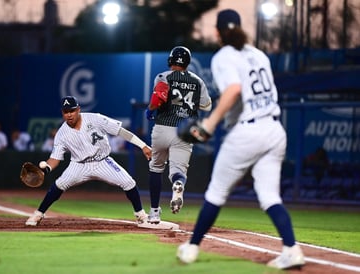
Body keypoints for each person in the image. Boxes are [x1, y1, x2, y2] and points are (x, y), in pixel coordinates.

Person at [176, 9, 305, 270]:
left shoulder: (224, 56)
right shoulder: (258, 54)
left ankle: (191, 248)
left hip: (247, 133)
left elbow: (234, 90)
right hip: (274, 129)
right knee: (269, 195)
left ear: (217, 31)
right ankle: (291, 249)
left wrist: (208, 125)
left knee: (216, 192)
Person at [25, 96, 152, 227]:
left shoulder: (95, 119)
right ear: (62, 113)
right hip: (79, 165)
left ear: (78, 109)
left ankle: (141, 215)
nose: (69, 114)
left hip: (102, 161)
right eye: (65, 112)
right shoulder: (61, 134)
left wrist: (142, 145)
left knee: (128, 182)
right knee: (59, 184)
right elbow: (55, 158)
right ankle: (38, 213)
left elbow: (121, 131)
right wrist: (46, 169)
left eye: (72, 111)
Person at [144, 46, 212, 224]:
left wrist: (150, 110)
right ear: (187, 62)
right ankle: (178, 184)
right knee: (178, 171)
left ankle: (154, 212)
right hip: (185, 131)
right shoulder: (198, 81)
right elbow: (207, 105)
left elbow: (158, 98)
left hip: (163, 127)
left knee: (156, 168)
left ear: (170, 60)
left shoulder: (163, 76)